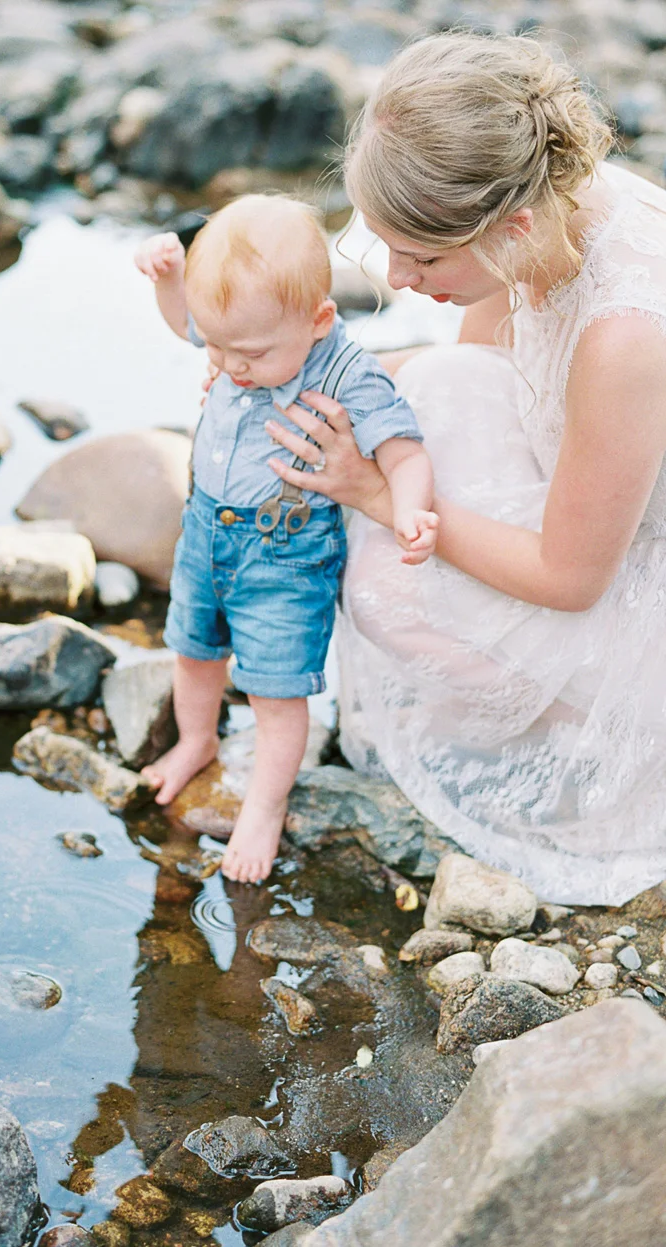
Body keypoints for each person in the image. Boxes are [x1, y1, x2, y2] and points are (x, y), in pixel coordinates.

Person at [264, 32, 666, 906]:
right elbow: (483, 363)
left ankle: (570, 725)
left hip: (632, 589)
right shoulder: (544, 194)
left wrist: (376, 493)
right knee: (400, 388)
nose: (400, 279)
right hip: (587, 494)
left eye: (422, 257)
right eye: (385, 248)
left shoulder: (625, 333)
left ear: (510, 228)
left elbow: (571, 580)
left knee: (383, 584)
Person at [133, 195, 437, 883]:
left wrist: (411, 509)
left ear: (319, 319)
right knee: (192, 650)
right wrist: (167, 282)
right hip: (205, 530)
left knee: (276, 694)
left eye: (252, 353)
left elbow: (403, 447)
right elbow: (186, 319)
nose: (230, 365)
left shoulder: (344, 370)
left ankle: (264, 805)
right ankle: (196, 739)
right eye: (217, 348)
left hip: (285, 552)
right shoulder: (237, 334)